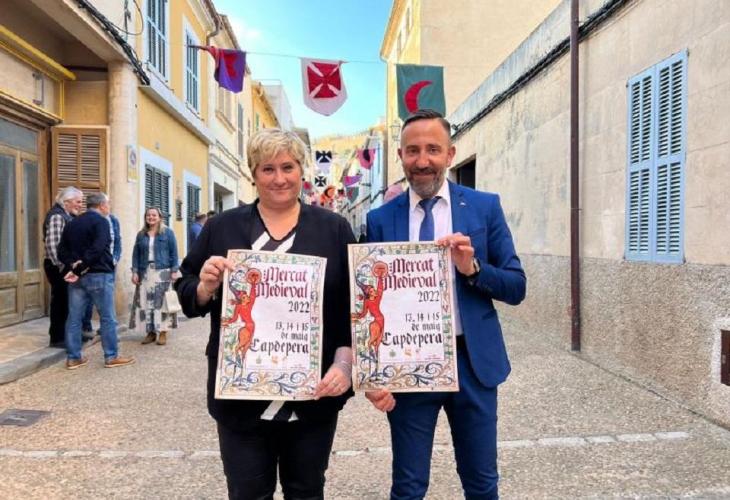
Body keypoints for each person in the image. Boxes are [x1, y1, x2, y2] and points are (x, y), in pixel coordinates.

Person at [175, 128, 355, 500]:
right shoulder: (221, 227)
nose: (279, 178)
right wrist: (206, 287)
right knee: (247, 493)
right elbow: (187, 288)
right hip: (239, 398)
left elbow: (352, 309)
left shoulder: (333, 229)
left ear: (301, 170)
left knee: (306, 491)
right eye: (267, 169)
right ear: (253, 173)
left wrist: (344, 364)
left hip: (313, 396)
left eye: (288, 167)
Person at [364, 109, 527, 500]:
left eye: (433, 149)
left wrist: (472, 268)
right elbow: (367, 298)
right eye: (413, 151)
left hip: (473, 362)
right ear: (401, 156)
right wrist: (372, 374)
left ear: (450, 154)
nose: (423, 160)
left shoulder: (484, 207)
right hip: (408, 365)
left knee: (482, 482)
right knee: (407, 487)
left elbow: (516, 286)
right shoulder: (380, 219)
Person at [57, 192, 135, 369]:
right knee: (107, 317)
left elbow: (61, 251)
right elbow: (99, 248)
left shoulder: (72, 222)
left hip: (77, 278)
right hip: (99, 275)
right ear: (101, 205)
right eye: (108, 203)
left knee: (74, 318)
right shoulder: (102, 221)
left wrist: (73, 265)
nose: (109, 207)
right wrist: (81, 266)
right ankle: (111, 356)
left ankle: (73, 357)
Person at [131, 207, 180, 346]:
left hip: (163, 271)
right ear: (145, 217)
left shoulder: (168, 233)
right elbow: (135, 254)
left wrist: (174, 270)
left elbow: (174, 253)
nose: (151, 217)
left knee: (162, 303)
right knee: (147, 303)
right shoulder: (141, 234)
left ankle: (163, 331)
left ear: (159, 217)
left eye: (154, 215)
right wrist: (135, 271)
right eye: (148, 215)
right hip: (145, 271)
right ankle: (151, 332)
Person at [43, 186, 83, 348]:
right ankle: (57, 338)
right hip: (58, 266)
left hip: (64, 265)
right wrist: (63, 267)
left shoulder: (67, 216)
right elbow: (52, 246)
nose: (80, 205)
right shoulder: (57, 216)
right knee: (60, 301)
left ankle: (67, 335)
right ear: (66, 202)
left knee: (66, 302)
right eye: (78, 202)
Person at [82, 212, 121, 338]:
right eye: (106, 203)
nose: (108, 206)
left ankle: (107, 329)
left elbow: (117, 241)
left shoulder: (113, 220)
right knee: (89, 297)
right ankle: (86, 326)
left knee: (107, 298)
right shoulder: (91, 220)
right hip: (94, 265)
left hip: (110, 265)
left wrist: (115, 258)